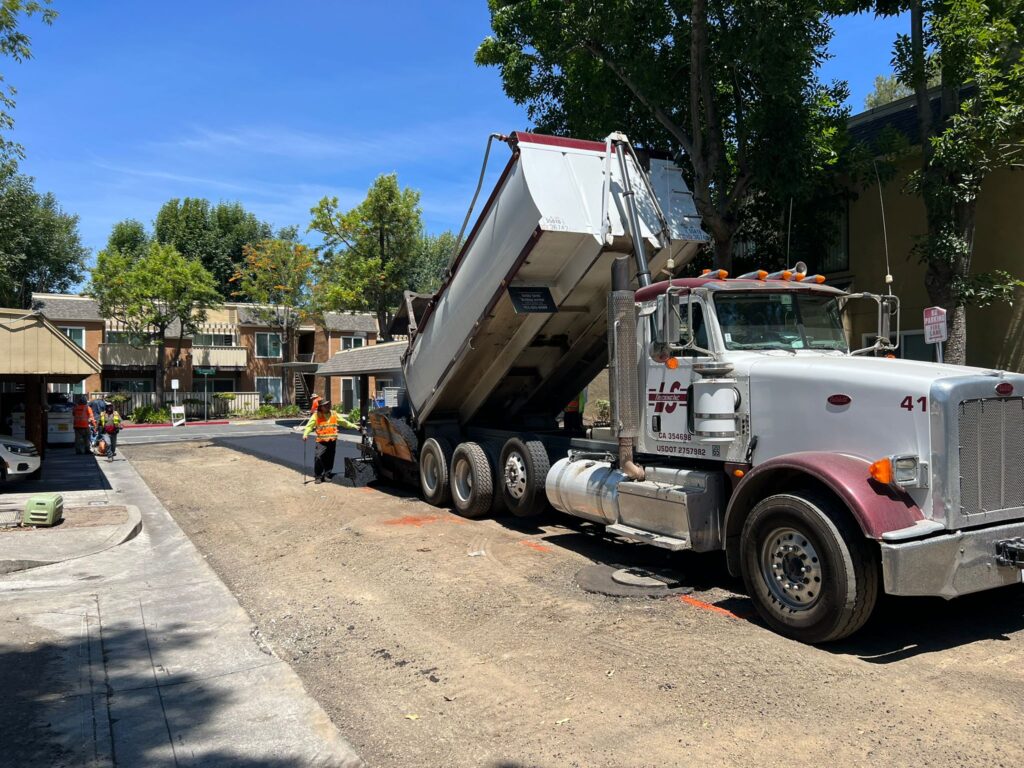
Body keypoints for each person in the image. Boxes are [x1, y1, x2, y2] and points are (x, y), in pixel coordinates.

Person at [302, 400, 356, 483]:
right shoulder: (316, 415)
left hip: (332, 440)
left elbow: (344, 422)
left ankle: (327, 475)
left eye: (328, 404)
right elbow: (309, 426)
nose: (328, 406)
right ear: (321, 407)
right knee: (318, 457)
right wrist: (305, 434)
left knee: (330, 458)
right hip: (321, 441)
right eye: (325, 405)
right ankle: (318, 476)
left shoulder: (333, 414)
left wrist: (355, 426)